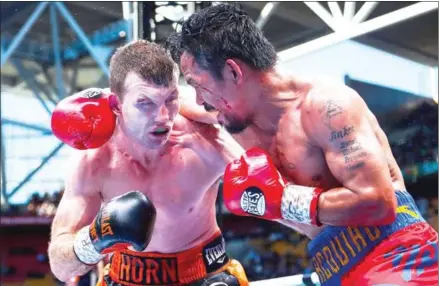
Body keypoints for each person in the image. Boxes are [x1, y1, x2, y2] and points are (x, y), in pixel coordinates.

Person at [165, 4, 438, 285]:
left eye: (199, 85)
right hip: (334, 267)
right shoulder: (230, 116)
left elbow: (378, 202)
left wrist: (283, 200)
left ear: (233, 71)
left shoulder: (328, 106)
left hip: (400, 257)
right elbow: (162, 104)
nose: (198, 99)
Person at [48, 40, 249, 286]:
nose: (163, 117)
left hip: (206, 275)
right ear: (116, 105)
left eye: (171, 99)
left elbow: (275, 193)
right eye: (146, 103)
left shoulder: (205, 142)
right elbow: (60, 266)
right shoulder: (94, 161)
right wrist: (93, 240)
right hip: (125, 279)